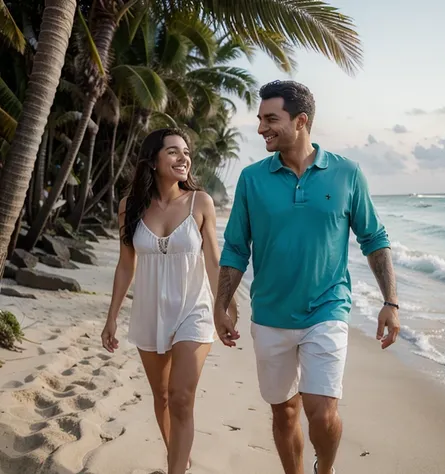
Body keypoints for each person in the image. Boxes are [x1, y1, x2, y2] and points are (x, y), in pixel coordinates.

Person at [213, 80, 400, 474]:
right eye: (260, 119)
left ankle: (325, 470)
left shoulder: (347, 173)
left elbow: (374, 239)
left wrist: (390, 302)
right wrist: (221, 304)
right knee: (284, 413)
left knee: (323, 411)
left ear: (301, 121)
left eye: (270, 119)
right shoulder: (251, 179)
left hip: (327, 309)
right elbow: (234, 249)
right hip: (270, 314)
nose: (261, 128)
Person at [101, 128, 237, 474]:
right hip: (150, 311)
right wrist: (112, 316)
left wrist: (225, 303)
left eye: (186, 152)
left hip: (194, 308)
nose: (183, 158)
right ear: (153, 160)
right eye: (174, 151)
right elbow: (126, 264)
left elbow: (212, 259)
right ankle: (177, 456)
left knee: (180, 397)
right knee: (161, 398)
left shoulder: (200, 202)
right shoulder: (128, 207)